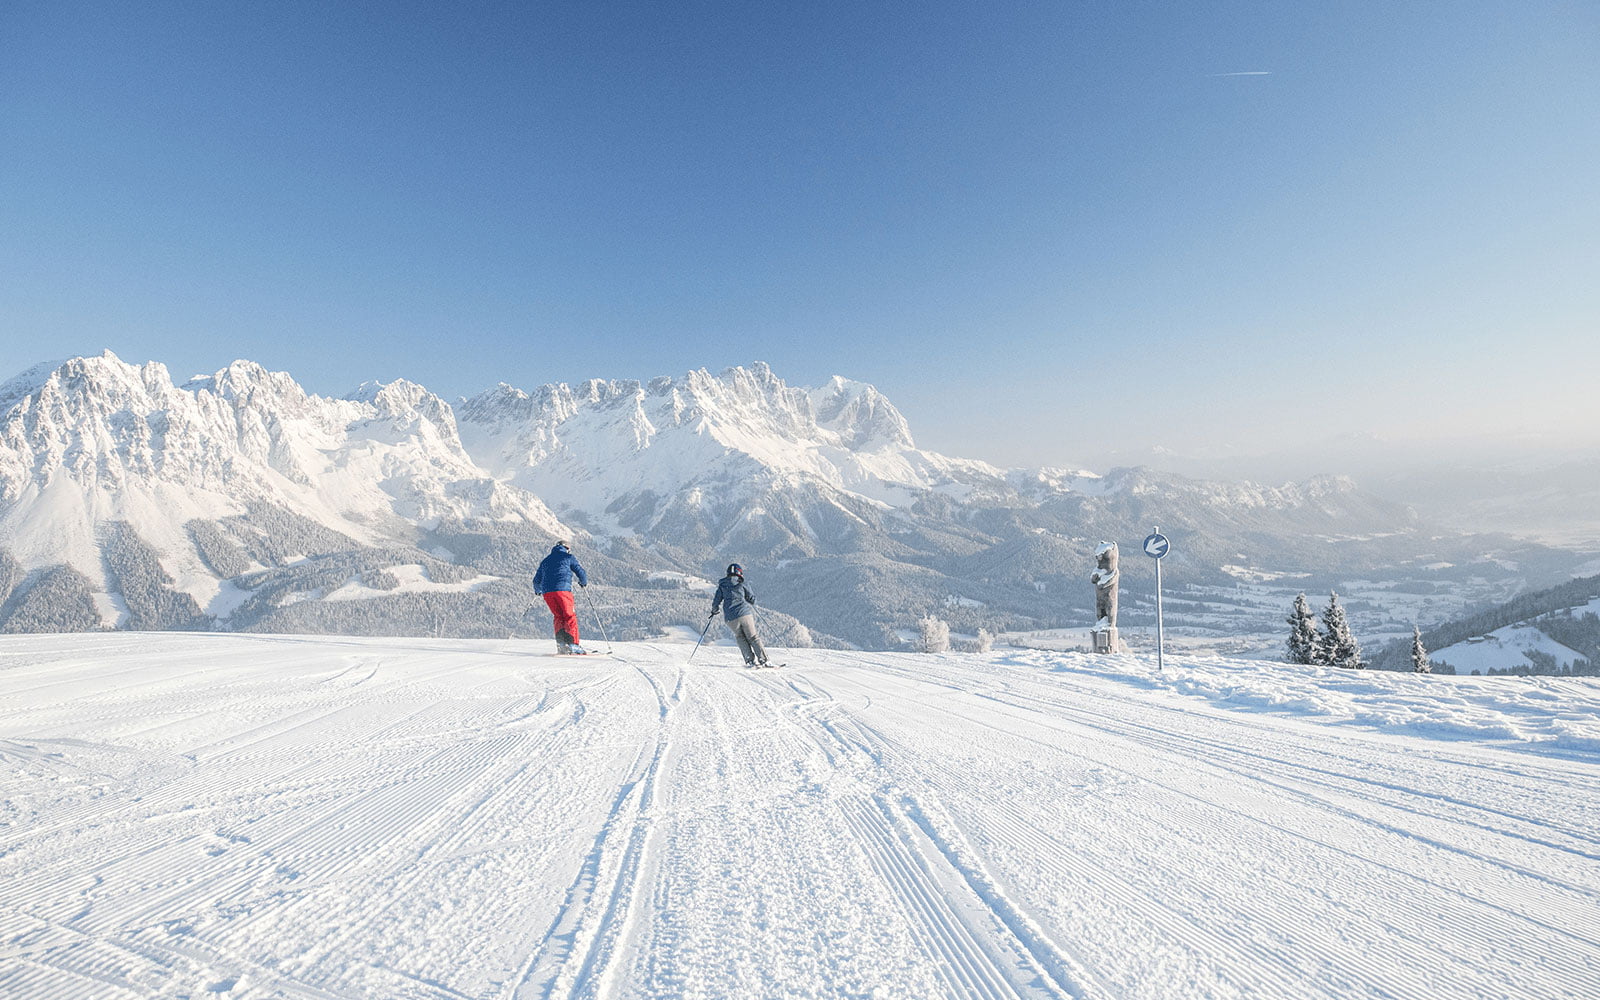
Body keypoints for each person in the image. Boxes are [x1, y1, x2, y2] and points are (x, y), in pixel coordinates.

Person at [534, 541, 588, 654]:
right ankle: (573, 645)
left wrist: (538, 591)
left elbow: (536, 580)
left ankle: (561, 645)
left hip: (547, 593)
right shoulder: (568, 557)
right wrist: (583, 582)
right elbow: (580, 571)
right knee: (569, 616)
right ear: (567, 548)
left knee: (558, 616)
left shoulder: (545, 560)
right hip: (563, 591)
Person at [711, 563, 769, 667]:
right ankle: (764, 660)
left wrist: (714, 610)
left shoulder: (722, 585)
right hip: (744, 614)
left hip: (730, 618)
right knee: (753, 637)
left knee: (740, 637)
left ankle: (750, 661)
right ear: (740, 573)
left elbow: (716, 601)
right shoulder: (742, 583)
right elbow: (752, 600)